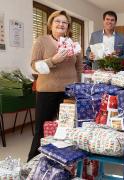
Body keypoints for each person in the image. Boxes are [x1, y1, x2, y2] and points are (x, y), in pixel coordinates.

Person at [28, 10, 83, 161]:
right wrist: (53, 60)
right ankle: (33, 162)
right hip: (48, 91)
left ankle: (65, 162)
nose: (61, 24)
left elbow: (79, 67)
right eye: (57, 21)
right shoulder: (41, 41)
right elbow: (34, 65)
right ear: (50, 24)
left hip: (69, 93)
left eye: (64, 22)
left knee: (68, 129)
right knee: (42, 129)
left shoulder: (73, 44)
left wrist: (77, 86)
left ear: (68, 26)